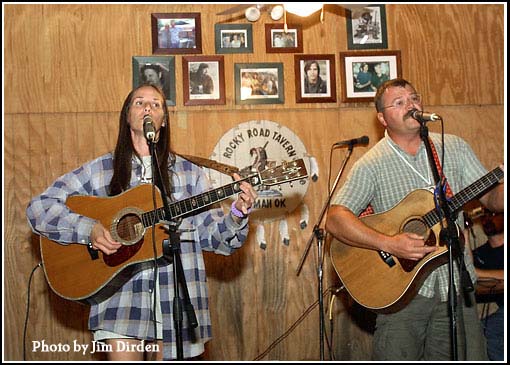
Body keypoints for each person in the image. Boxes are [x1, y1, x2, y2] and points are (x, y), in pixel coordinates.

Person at [25, 83, 257, 360]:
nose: (147, 107)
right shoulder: (102, 169)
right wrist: (88, 229)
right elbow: (40, 207)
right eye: (139, 102)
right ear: (126, 116)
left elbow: (214, 237)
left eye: (156, 104)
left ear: (164, 120)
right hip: (120, 298)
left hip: (177, 299)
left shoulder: (190, 174)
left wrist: (238, 212)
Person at [325, 78, 504, 361]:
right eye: (399, 102)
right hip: (402, 295)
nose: (411, 105)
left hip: (457, 288)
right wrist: (390, 243)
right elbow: (335, 219)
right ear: (382, 118)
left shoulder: (453, 148)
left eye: (414, 98)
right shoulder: (372, 164)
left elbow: (492, 199)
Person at [472, 211, 504, 361]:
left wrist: (478, 273)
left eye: (493, 214)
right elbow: (468, 273)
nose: (488, 219)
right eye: (484, 216)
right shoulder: (480, 253)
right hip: (494, 311)